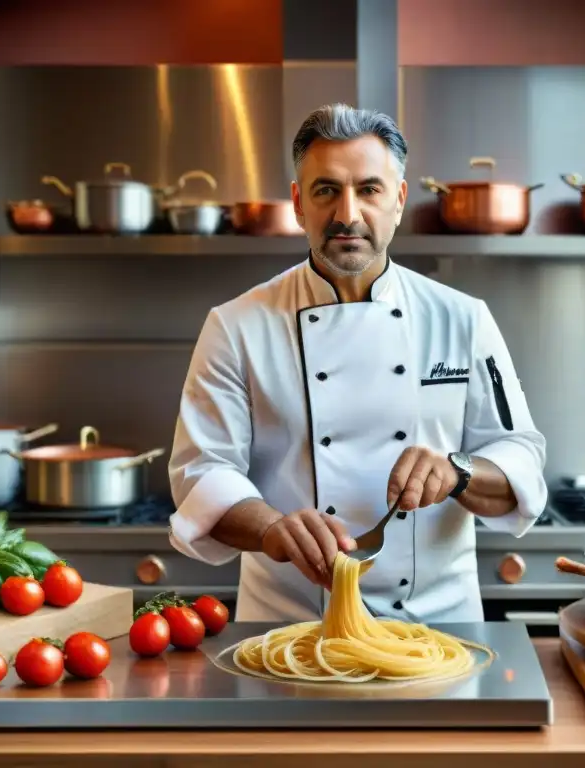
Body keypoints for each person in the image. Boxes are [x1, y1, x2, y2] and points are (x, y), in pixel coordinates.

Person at [167, 103, 547, 623]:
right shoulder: (236, 326)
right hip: (290, 625)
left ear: (398, 200)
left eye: (369, 189)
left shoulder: (463, 319)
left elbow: (520, 456)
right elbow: (202, 471)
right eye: (326, 190)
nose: (348, 214)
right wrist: (271, 529)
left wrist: (458, 470)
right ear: (299, 204)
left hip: (438, 626)